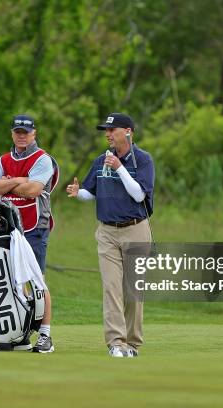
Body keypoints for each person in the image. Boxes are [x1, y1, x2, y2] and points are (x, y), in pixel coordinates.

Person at [66, 112, 154, 358]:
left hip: (136, 228)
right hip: (106, 232)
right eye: (106, 131)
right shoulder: (100, 161)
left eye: (112, 130)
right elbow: (90, 192)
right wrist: (78, 192)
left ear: (128, 132)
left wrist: (119, 168)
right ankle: (116, 342)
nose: (107, 135)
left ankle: (132, 344)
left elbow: (139, 195)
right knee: (111, 287)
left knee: (132, 290)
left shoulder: (143, 161)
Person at [0, 114, 59, 353]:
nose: (21, 136)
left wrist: (10, 181)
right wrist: (20, 180)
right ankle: (21, 334)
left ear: (34, 134)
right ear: (12, 133)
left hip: (35, 227)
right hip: (7, 226)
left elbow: (33, 190)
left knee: (36, 281)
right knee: (12, 281)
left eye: (26, 132)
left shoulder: (43, 159)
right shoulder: (4, 159)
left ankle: (45, 336)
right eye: (17, 132)